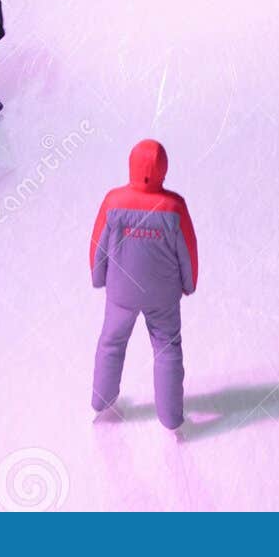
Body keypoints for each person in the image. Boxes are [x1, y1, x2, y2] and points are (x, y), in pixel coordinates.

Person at [91, 139, 197, 432]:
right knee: (167, 349)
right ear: (163, 169)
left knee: (111, 342)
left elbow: (97, 245)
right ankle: (170, 417)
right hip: (162, 295)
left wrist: (99, 278)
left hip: (120, 292)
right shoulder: (174, 207)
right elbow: (188, 250)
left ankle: (102, 399)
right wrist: (189, 284)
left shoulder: (113, 202)